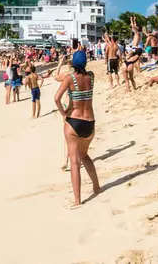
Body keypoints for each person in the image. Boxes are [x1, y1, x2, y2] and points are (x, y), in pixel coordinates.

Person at [54, 49, 100, 207]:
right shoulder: (91, 77)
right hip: (90, 122)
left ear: (73, 63)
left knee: (74, 162)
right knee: (85, 155)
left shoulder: (69, 78)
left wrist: (63, 113)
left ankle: (77, 200)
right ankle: (96, 186)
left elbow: (56, 98)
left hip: (74, 121)